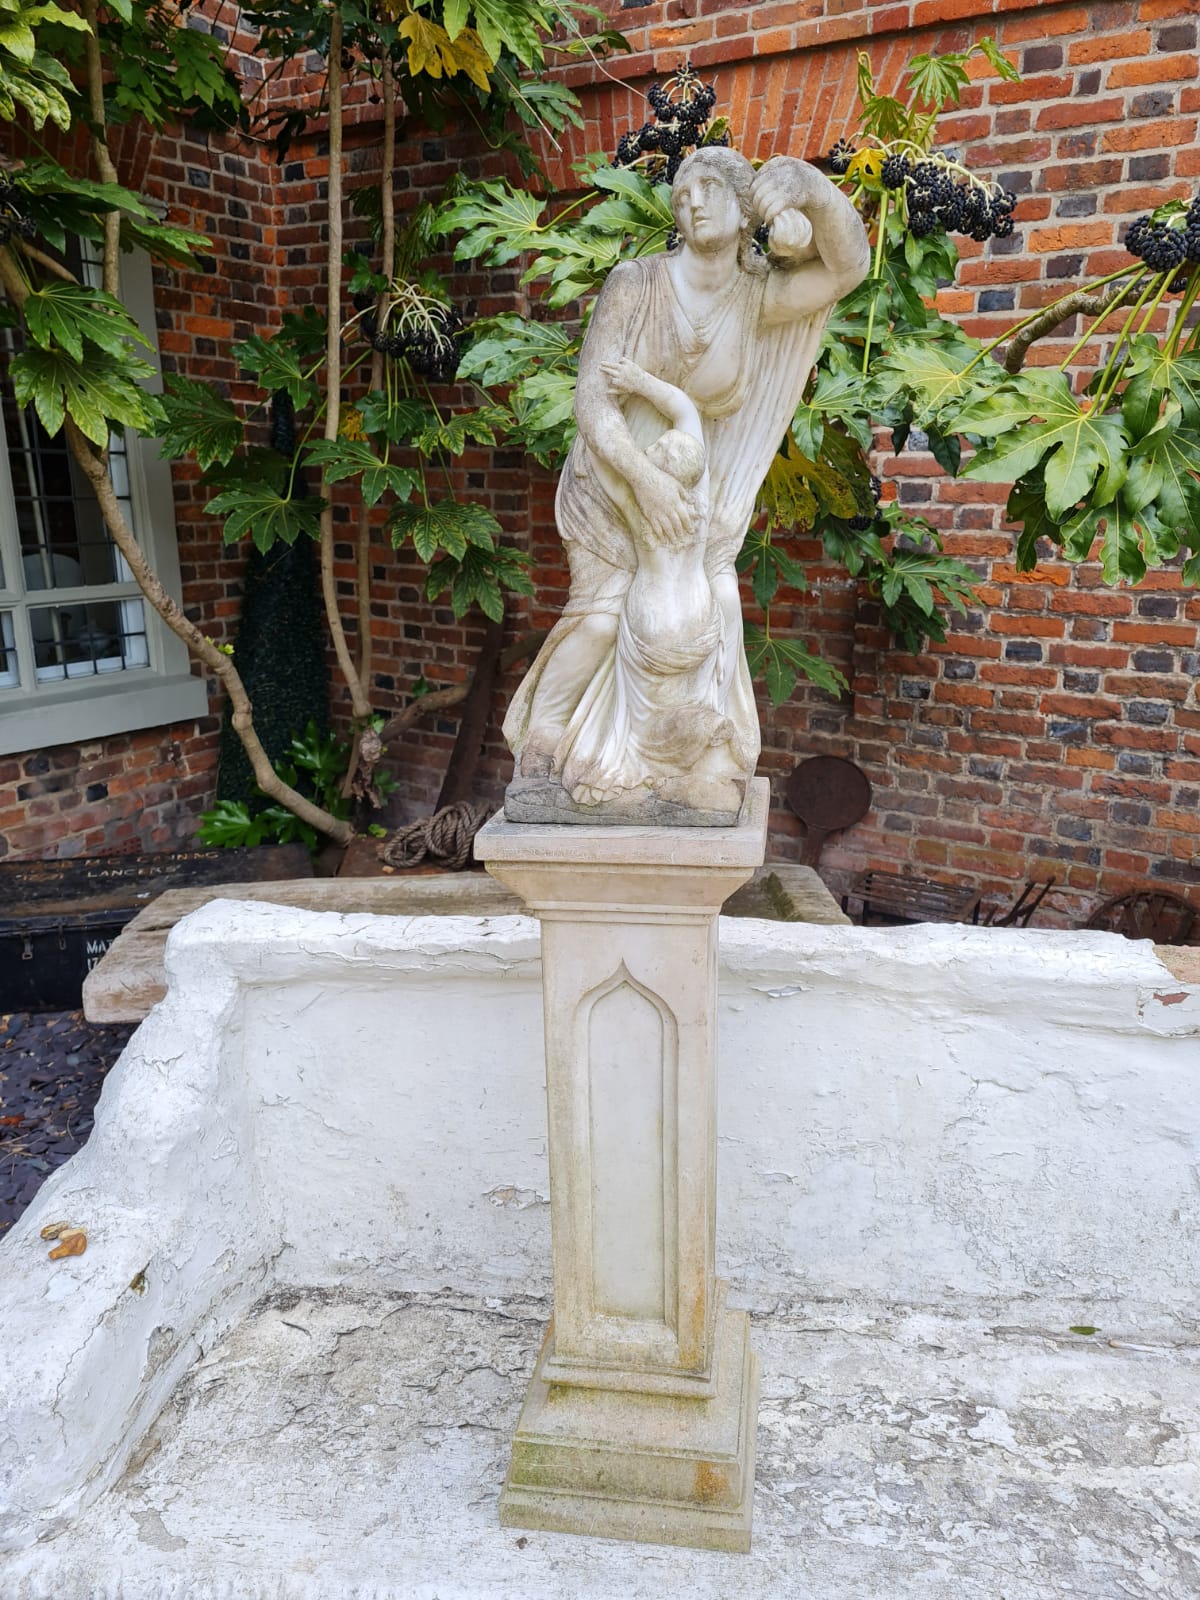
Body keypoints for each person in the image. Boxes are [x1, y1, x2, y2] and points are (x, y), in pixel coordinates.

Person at [503, 146, 870, 813]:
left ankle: (694, 760)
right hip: (613, 479)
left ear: (743, 204)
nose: (691, 200)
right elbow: (592, 401)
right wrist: (643, 480)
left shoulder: (757, 297)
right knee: (600, 621)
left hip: (698, 494)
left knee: (714, 610)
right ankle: (545, 747)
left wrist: (812, 190)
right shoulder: (635, 284)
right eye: (681, 194)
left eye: (706, 187)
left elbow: (849, 267)